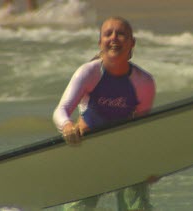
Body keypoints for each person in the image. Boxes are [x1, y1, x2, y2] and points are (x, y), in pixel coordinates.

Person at [53, 17, 156, 210]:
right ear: (100, 43)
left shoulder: (144, 82)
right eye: (108, 34)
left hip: (126, 153)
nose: (114, 38)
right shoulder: (88, 73)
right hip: (89, 151)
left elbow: (142, 127)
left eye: (121, 34)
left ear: (132, 43)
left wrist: (148, 166)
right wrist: (67, 127)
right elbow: (61, 110)